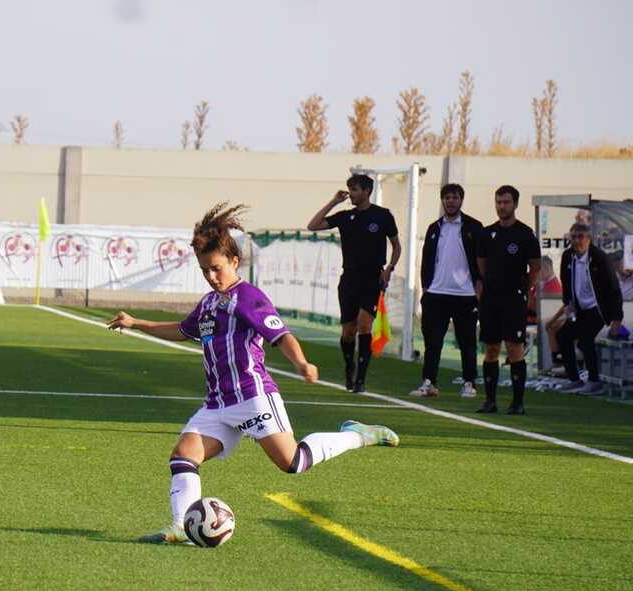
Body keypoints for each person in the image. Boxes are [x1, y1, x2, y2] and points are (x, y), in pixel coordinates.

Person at [107, 202, 398, 545]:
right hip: (217, 404)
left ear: (234, 261)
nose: (211, 277)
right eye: (204, 271)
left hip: (252, 396)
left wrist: (301, 363)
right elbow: (182, 331)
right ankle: (181, 527)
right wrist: (136, 323)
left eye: (216, 268)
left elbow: (281, 335)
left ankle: (358, 434)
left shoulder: (248, 297)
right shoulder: (208, 303)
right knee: (184, 455)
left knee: (293, 462)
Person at [307, 174, 401, 393]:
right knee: (348, 331)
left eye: (356, 189)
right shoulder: (345, 216)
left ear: (367, 190)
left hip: (372, 279)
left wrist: (389, 269)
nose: (352, 193)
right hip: (349, 279)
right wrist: (334, 201)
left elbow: (396, 246)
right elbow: (313, 225)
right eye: (350, 189)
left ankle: (361, 379)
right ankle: (349, 369)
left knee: (364, 324)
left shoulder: (383, 216)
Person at [410, 183, 485, 399]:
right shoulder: (435, 228)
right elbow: (426, 261)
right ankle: (429, 382)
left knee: (467, 342)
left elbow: (482, 261)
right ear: (442, 200)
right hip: (436, 295)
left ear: (462, 199)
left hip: (465, 296)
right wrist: (426, 289)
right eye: (447, 197)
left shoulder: (474, 227)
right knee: (432, 343)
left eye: (455, 197)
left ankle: (469, 382)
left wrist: (479, 286)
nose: (450, 201)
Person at [477, 186, 540, 415]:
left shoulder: (525, 234)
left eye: (506, 202)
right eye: (498, 202)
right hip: (491, 298)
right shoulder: (487, 233)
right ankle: (490, 401)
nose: (501, 206)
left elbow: (535, 267)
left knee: (514, 348)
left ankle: (517, 403)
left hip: (514, 298)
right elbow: (481, 262)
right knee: (491, 348)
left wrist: (525, 287)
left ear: (515, 204)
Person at [558, 222, 624, 395]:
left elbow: (614, 289)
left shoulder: (600, 257)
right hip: (579, 309)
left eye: (580, 237)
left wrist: (617, 318)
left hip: (599, 308)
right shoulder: (567, 256)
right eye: (573, 237)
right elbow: (566, 284)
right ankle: (574, 379)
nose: (576, 241)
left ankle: (594, 381)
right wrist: (568, 303)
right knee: (562, 335)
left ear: (588, 239)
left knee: (586, 338)